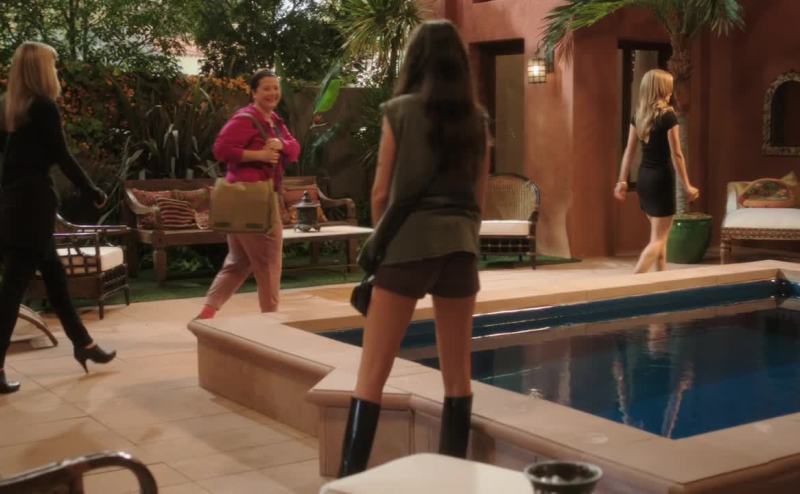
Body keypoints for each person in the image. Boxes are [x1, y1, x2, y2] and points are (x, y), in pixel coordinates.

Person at [337, 20, 492, 477]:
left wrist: (383, 243)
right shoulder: (477, 120)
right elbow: (478, 200)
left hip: (407, 247)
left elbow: (381, 193)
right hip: (460, 248)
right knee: (458, 376)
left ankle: (349, 480)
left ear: (415, 60)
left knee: (372, 373)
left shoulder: (399, 112)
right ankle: (452, 479)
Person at [0, 41, 116, 394]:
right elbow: (62, 155)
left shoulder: (7, 107)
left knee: (54, 278)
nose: (55, 70)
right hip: (33, 205)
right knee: (13, 287)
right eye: (52, 65)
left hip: (12, 204)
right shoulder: (43, 107)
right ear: (41, 70)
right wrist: (92, 190)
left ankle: (83, 344)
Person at [196, 69, 299, 319]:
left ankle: (207, 314)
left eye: (275, 88)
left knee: (239, 262)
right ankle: (270, 320)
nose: (272, 93)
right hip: (254, 199)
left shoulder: (275, 121)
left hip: (252, 198)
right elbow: (221, 149)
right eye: (266, 88)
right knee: (269, 263)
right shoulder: (245, 119)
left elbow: (295, 149)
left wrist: (282, 144)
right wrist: (259, 155)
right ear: (254, 92)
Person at [614, 69, 699, 273]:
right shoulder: (668, 116)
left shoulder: (639, 116)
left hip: (644, 180)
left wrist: (622, 181)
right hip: (661, 181)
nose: (672, 92)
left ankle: (662, 281)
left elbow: (629, 151)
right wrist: (687, 186)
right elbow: (677, 154)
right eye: (669, 87)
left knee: (660, 238)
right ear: (662, 89)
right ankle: (634, 282)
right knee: (659, 240)